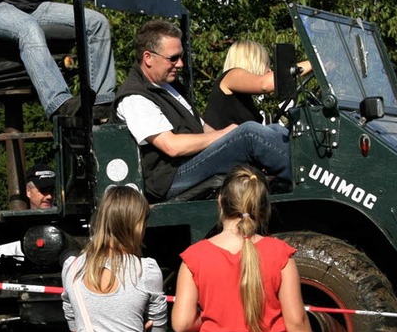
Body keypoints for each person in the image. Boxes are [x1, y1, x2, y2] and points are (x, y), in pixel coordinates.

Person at [113, 20, 291, 202]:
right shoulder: (135, 97)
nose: (180, 64)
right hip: (170, 178)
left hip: (191, 162)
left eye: (181, 56)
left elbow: (201, 129)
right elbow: (172, 146)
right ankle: (308, 174)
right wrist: (227, 133)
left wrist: (228, 138)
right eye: (173, 58)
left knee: (274, 129)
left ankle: (299, 173)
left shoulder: (169, 86)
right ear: (148, 58)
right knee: (249, 133)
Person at [171, 165, 311, 332]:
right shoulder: (280, 254)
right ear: (264, 208)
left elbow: (182, 324)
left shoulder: (194, 257)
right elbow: (297, 323)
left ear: (220, 201)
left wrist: (208, 319)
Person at [61, 186, 167, 332]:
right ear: (136, 226)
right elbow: (158, 330)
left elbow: (74, 325)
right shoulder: (146, 271)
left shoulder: (72, 268)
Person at [204, 40, 312, 129]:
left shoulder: (244, 99)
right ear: (252, 62)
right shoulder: (231, 76)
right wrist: (315, 64)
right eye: (266, 64)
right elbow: (265, 84)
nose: (269, 70)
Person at [0, 163, 56, 259]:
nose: (49, 196)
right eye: (43, 190)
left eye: (51, 190)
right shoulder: (14, 230)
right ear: (28, 191)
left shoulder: (66, 222)